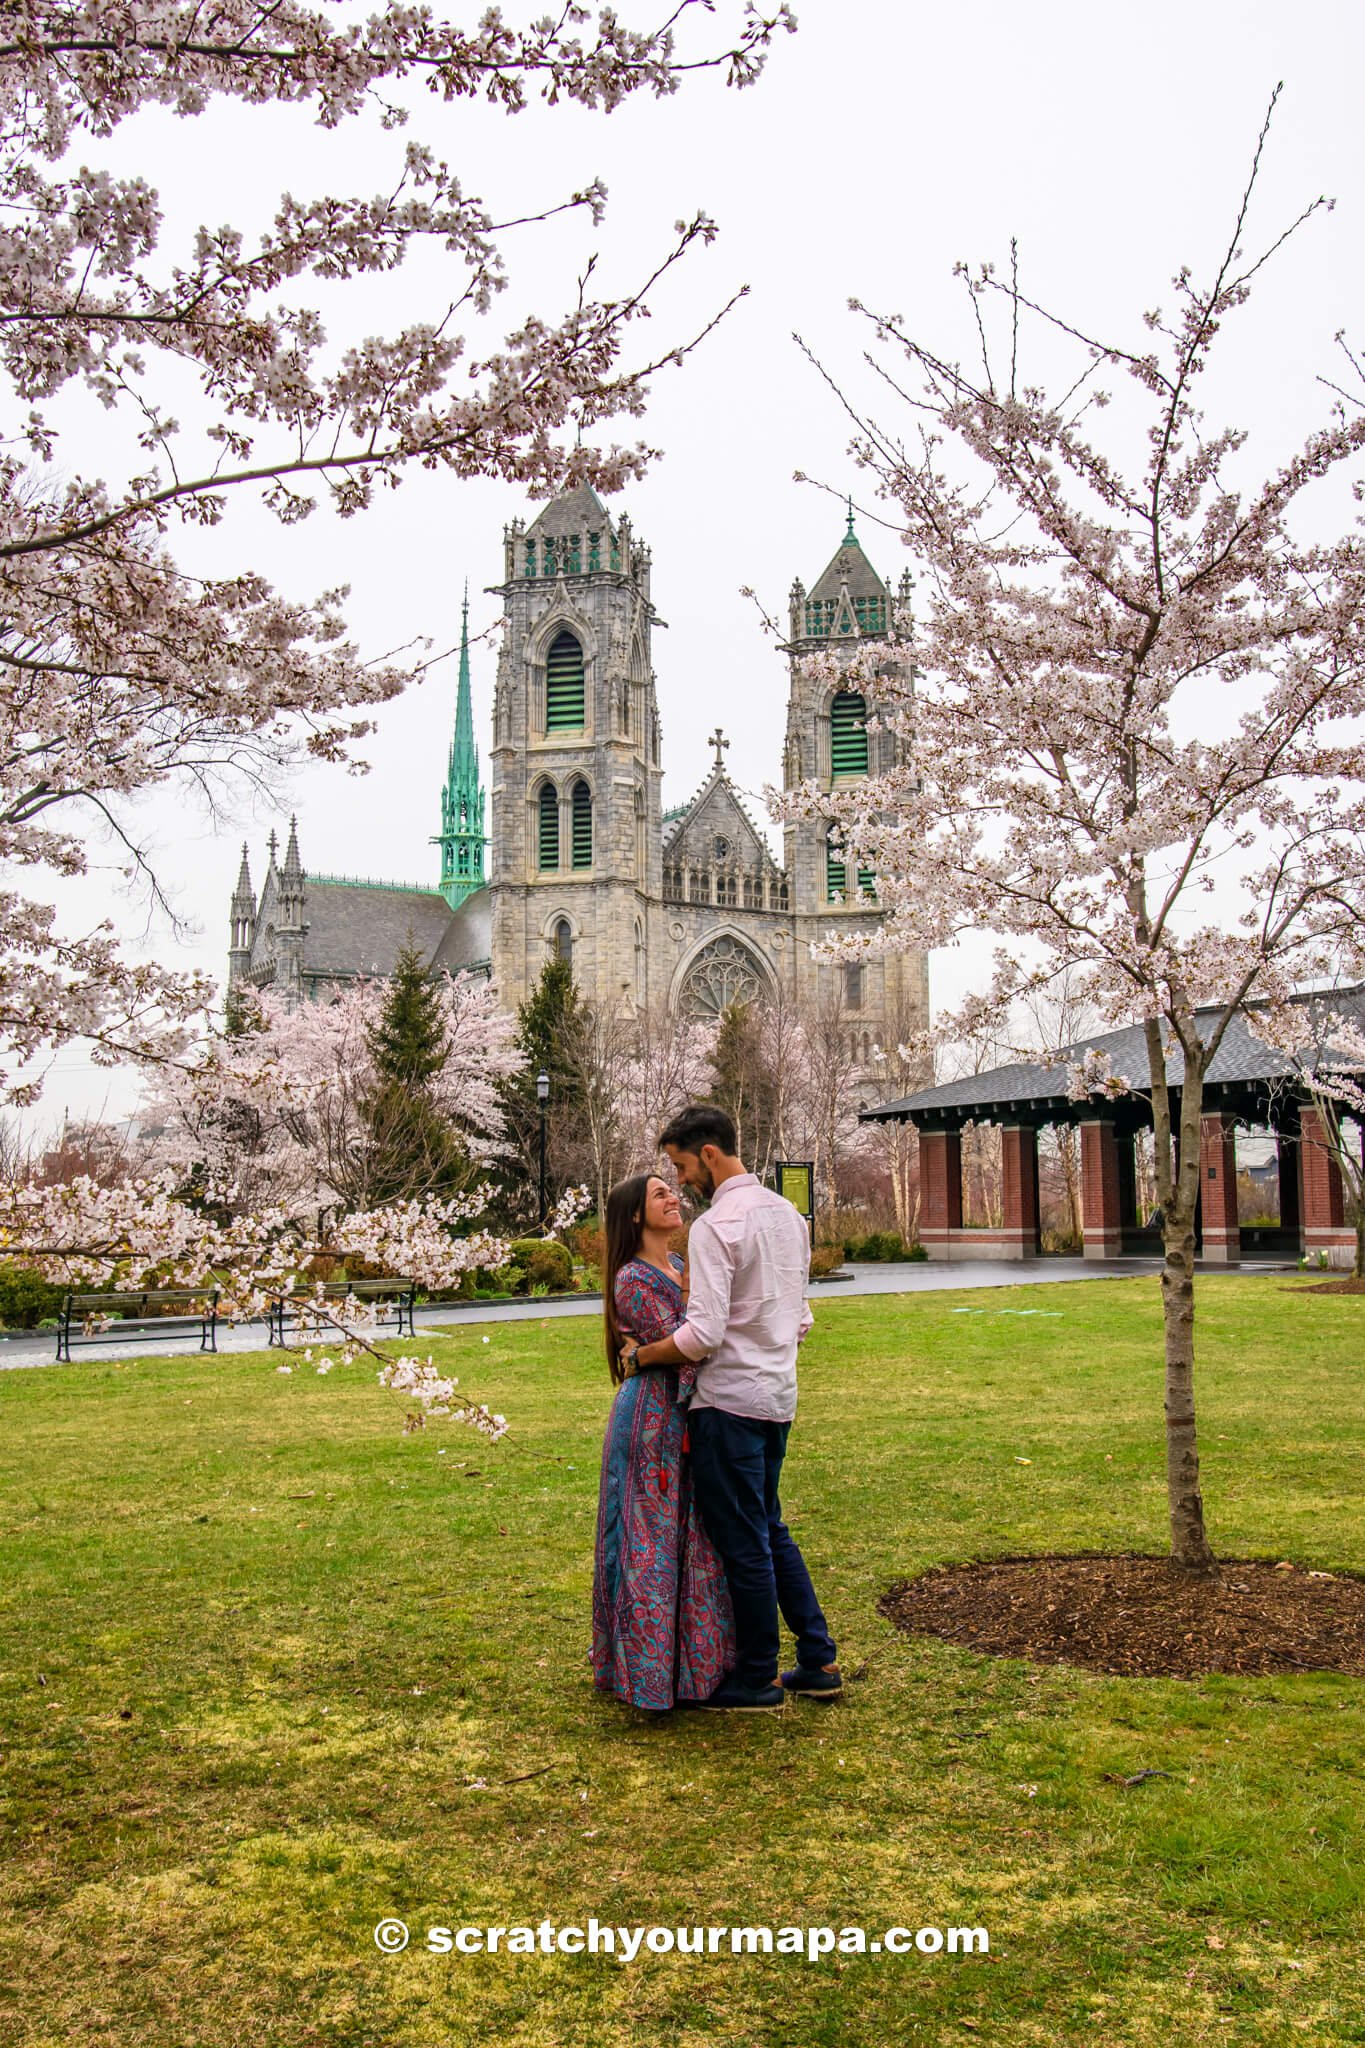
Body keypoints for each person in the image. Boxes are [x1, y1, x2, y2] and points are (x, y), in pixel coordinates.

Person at [617, 1105, 841, 1713]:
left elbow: (702, 1336)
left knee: (745, 1543)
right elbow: (801, 1320)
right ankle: (817, 1658)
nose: (683, 1180)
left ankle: (759, 1676)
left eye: (683, 1166)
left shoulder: (718, 1227)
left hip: (728, 1405)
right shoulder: (789, 1218)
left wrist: (642, 1358)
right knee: (769, 1527)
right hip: (778, 1400)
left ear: (709, 1155)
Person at [591, 1170, 736, 1711]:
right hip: (650, 1423)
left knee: (692, 1538)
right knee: (649, 1543)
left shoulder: (678, 1266)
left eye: (670, 1190)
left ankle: (696, 1670)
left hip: (688, 1416)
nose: (673, 1197)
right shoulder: (632, 1279)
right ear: (635, 1215)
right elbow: (689, 1343)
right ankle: (647, 1677)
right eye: (659, 1194)